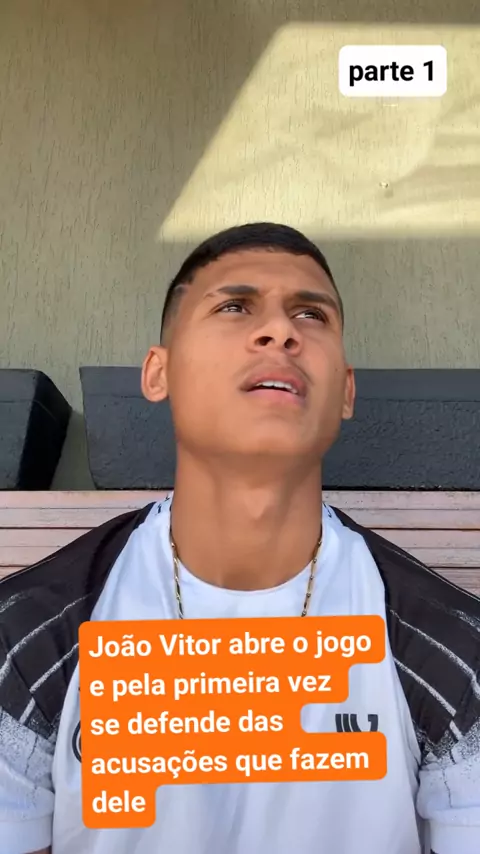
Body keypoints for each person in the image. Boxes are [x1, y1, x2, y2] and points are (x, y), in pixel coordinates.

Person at [0, 222, 479, 854]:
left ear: (346, 392)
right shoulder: (25, 636)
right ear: (158, 373)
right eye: (234, 307)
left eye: (310, 314)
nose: (280, 331)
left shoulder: (452, 650)